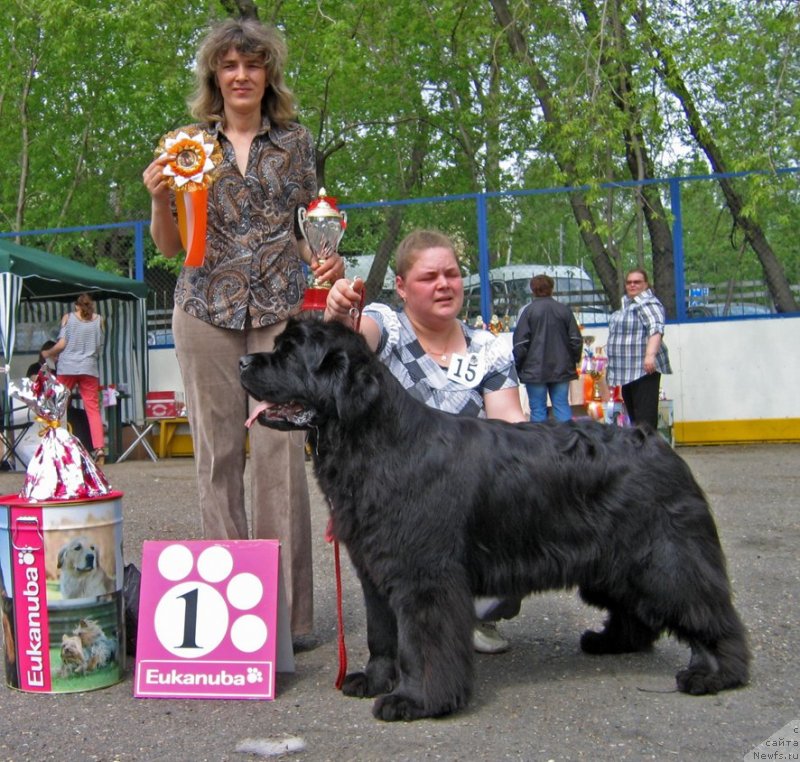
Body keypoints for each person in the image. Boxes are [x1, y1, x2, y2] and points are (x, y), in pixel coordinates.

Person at [141, 18, 343, 641]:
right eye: (229, 65)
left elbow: (311, 224)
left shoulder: (297, 144)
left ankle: (286, 617)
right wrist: (157, 198)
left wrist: (326, 258)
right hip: (204, 308)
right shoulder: (188, 147)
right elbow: (173, 245)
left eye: (253, 65)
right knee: (218, 455)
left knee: (281, 456)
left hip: (281, 311)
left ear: (267, 75)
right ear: (214, 75)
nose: (241, 76)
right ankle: (231, 610)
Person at [325, 229, 526, 654]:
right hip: (400, 501)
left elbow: (511, 424)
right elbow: (357, 339)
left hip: (463, 500)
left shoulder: (488, 348)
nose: (444, 285)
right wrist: (341, 312)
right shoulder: (390, 327)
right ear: (401, 287)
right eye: (429, 276)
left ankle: (473, 613)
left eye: (452, 275)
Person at [41, 294, 106, 464]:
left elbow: (62, 344)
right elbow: (99, 346)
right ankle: (99, 448)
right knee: (92, 409)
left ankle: (56, 446)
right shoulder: (99, 320)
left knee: (59, 407)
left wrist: (48, 353)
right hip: (89, 368)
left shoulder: (68, 318)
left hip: (67, 367)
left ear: (76, 306)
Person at [606, 268, 671, 430]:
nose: (632, 285)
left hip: (643, 370)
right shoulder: (627, 304)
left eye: (637, 282)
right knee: (634, 419)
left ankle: (650, 453)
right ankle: (639, 452)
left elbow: (656, 330)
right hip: (627, 372)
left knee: (645, 420)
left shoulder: (649, 303)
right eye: (629, 282)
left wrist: (650, 356)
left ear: (646, 284)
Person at [512, 274, 583, 422]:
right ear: (552, 288)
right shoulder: (564, 310)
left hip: (534, 371)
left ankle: (540, 444)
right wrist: (574, 360)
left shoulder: (528, 312)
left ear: (533, 290)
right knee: (562, 406)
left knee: (538, 411)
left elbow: (520, 344)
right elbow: (576, 339)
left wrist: (519, 366)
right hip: (562, 368)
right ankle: (568, 443)